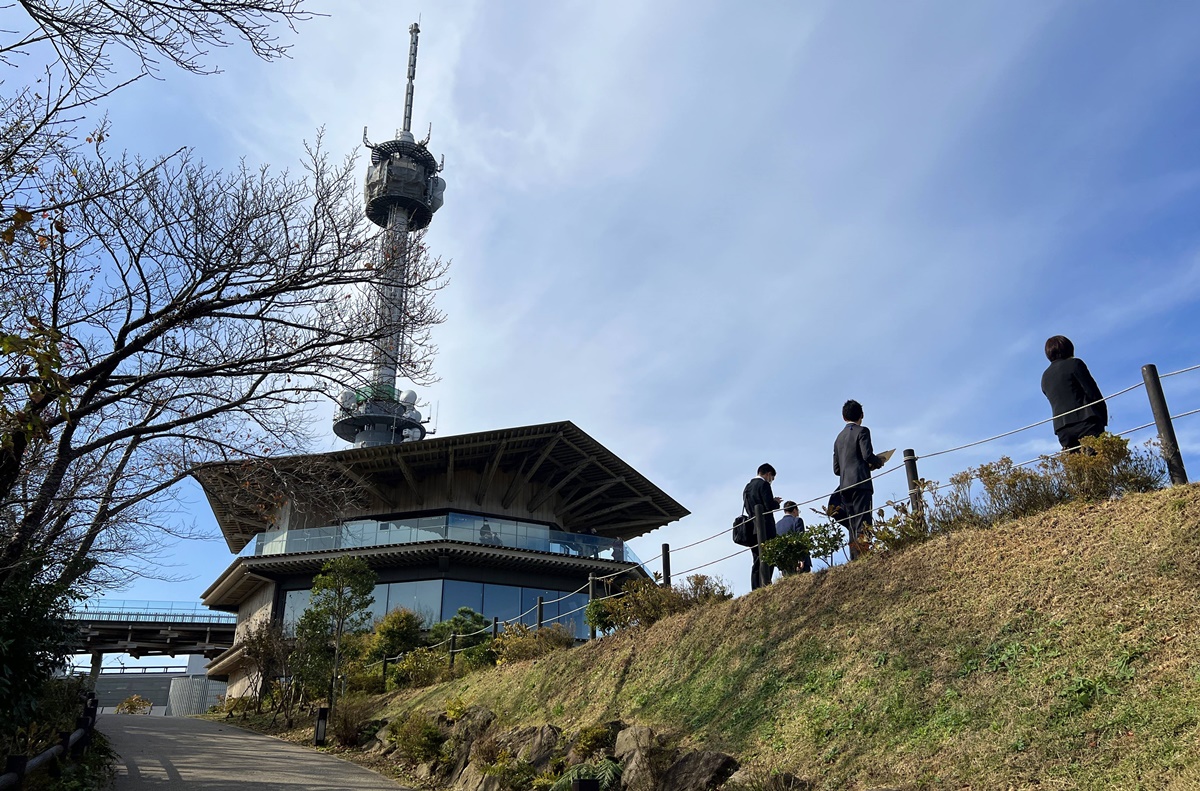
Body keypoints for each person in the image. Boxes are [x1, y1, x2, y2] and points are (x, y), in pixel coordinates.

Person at [833, 399, 885, 561]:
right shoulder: (863, 431)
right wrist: (879, 461)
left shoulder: (838, 439)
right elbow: (867, 455)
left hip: (844, 486)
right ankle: (864, 556)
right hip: (861, 483)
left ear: (843, 417)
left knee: (852, 524)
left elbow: (836, 469)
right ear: (861, 415)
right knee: (864, 521)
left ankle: (855, 559)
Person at [1041, 335, 1107, 451]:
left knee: (1077, 466)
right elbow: (1092, 392)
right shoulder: (1075, 364)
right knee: (1097, 463)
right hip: (1086, 421)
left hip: (1062, 428)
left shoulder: (1045, 377)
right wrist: (1102, 417)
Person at [743, 463, 781, 590]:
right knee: (769, 556)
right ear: (768, 474)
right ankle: (765, 584)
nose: (771, 481)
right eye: (772, 478)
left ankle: (756, 587)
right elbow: (769, 505)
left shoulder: (747, 487)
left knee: (757, 559)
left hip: (752, 527)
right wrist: (776, 503)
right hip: (765, 526)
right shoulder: (764, 484)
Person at [775, 501, 811, 575]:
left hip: (784, 562)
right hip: (797, 560)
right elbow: (801, 540)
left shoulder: (776, 525)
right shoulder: (797, 520)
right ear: (795, 510)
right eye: (798, 511)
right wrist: (801, 559)